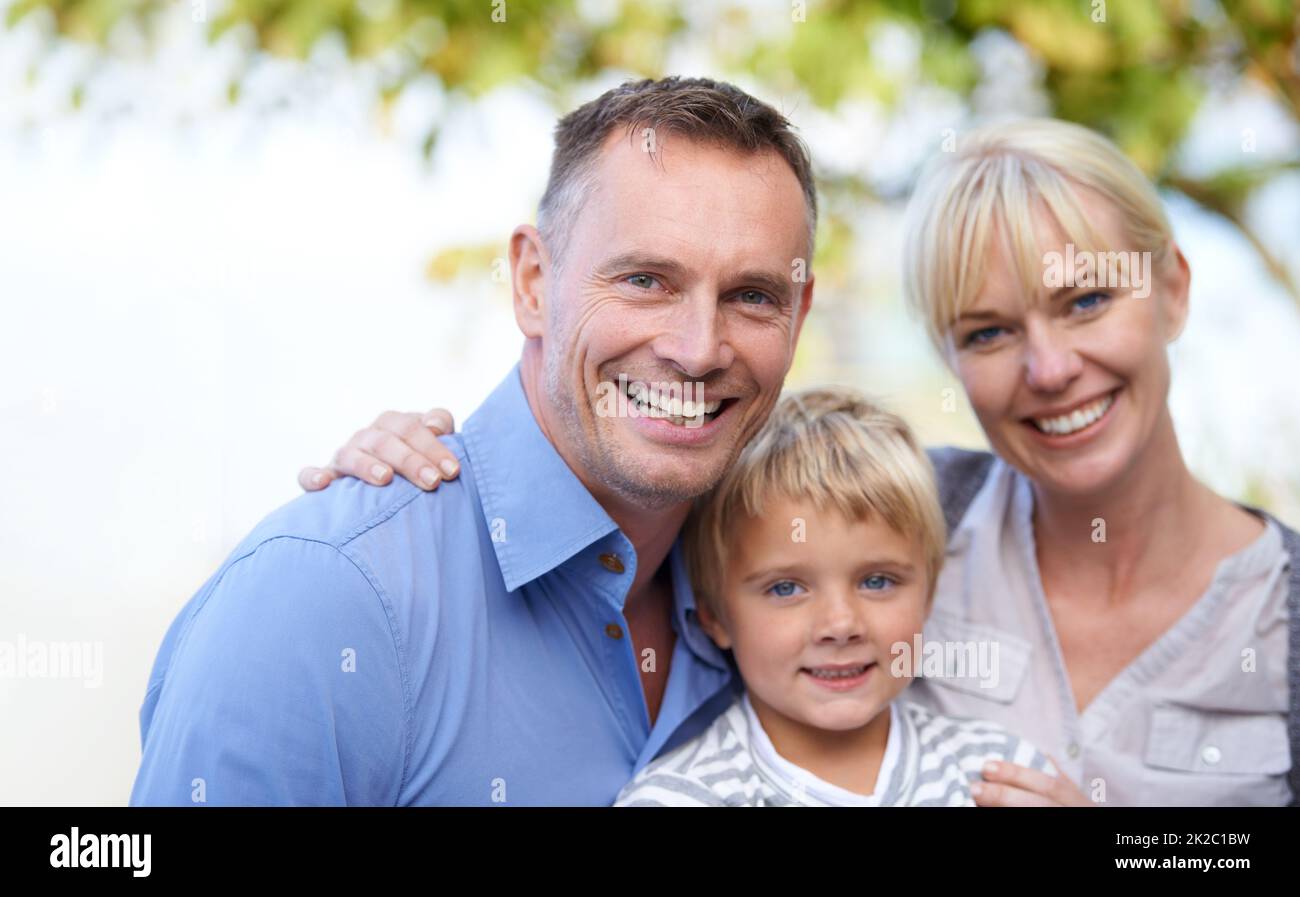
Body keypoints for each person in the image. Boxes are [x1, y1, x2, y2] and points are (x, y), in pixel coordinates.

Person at [314, 117, 1299, 806]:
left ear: (1169, 289)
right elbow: (651, 481)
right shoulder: (906, 510)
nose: (1049, 367)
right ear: (950, 359)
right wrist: (433, 460)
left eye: (1086, 302)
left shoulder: (1282, 617)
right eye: (988, 332)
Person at [130, 76, 818, 805]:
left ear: (798, 314)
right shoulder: (323, 598)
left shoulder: (811, 578)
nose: (699, 348)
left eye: (752, 296)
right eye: (647, 279)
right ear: (531, 282)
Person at [614, 386, 1056, 806]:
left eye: (877, 581)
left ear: (929, 593)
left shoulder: (999, 774)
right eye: (786, 588)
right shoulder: (682, 795)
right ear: (714, 614)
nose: (841, 625)